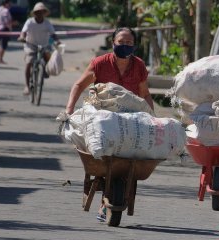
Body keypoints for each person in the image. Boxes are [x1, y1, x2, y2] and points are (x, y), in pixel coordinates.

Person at [64, 27, 154, 221]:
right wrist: (69, 108)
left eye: (129, 43)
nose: (125, 46)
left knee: (128, 158)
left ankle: (112, 199)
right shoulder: (100, 63)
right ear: (113, 42)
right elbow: (79, 85)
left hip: (129, 120)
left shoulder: (138, 66)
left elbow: (144, 94)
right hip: (103, 120)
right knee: (105, 157)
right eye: (121, 42)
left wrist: (152, 118)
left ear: (135, 45)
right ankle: (105, 200)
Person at [17, 2, 60, 95]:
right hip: (30, 45)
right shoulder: (30, 22)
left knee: (48, 56)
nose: (40, 14)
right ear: (35, 13)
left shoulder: (47, 23)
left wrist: (57, 41)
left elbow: (53, 34)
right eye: (38, 12)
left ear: (44, 13)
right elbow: (23, 32)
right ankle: (27, 86)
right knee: (29, 63)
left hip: (43, 45)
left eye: (42, 12)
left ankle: (44, 70)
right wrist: (22, 37)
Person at [0, 0, 12, 64]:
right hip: (4, 28)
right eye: (9, 3)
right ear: (6, 3)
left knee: (0, 43)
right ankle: (0, 59)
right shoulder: (5, 11)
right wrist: (10, 27)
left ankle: (0, 58)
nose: (10, 5)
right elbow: (6, 21)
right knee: (3, 44)